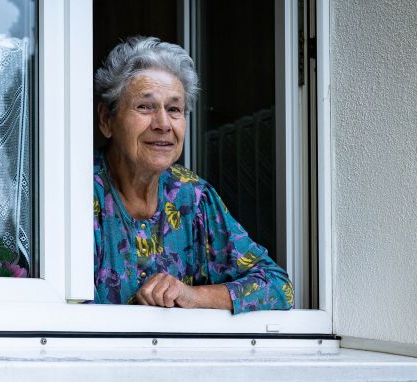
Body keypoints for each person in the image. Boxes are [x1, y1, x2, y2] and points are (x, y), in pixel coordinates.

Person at [93, 36, 293, 313]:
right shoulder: (80, 194)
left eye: (174, 109)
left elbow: (277, 287)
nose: (163, 124)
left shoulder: (192, 197)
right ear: (106, 119)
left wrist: (192, 296)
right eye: (145, 107)